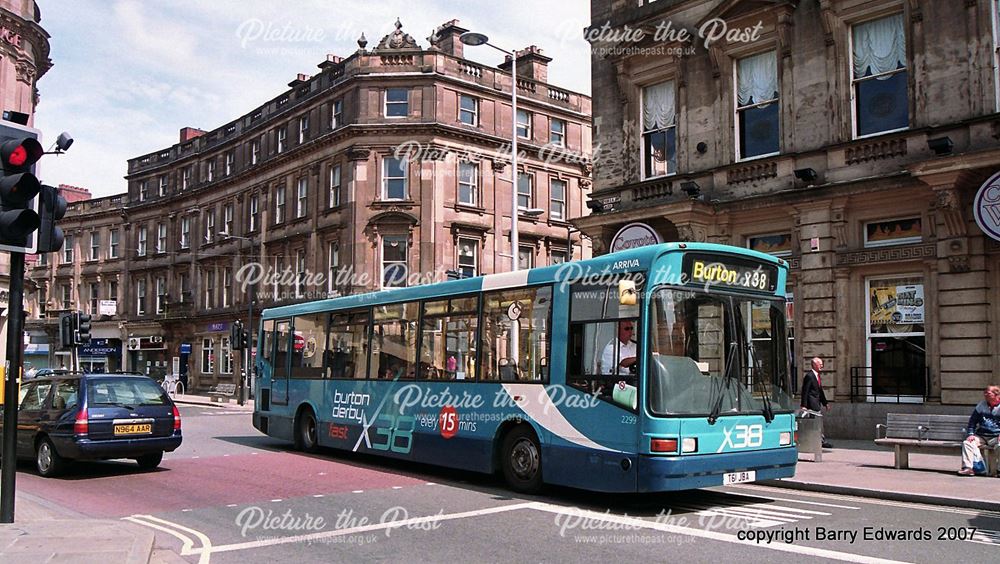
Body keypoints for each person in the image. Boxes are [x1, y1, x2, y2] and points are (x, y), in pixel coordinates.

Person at [958, 385, 1000, 476]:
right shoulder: (981, 405)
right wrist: (971, 434)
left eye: (988, 393)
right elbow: (972, 422)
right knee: (967, 443)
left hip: (996, 436)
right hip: (981, 436)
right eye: (984, 392)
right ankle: (968, 468)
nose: (985, 395)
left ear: (996, 395)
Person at [800, 356, 832, 448]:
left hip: (817, 403)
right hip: (811, 404)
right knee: (815, 424)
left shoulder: (817, 376)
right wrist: (804, 405)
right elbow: (805, 391)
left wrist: (825, 403)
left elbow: (820, 391)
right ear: (814, 365)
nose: (822, 366)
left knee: (818, 423)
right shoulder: (809, 376)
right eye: (820, 364)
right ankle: (818, 441)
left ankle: (820, 440)